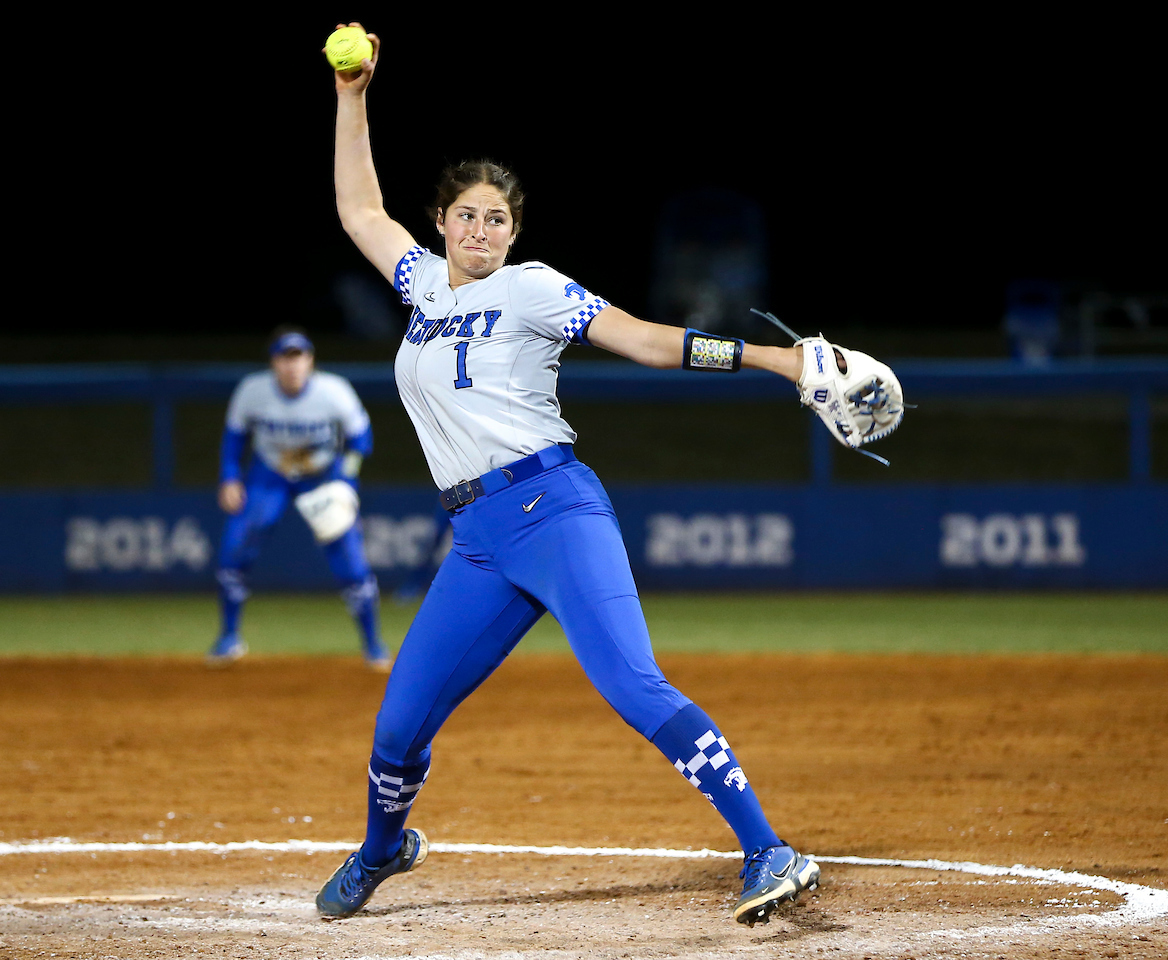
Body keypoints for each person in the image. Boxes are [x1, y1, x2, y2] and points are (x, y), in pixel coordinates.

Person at [315, 24, 822, 927]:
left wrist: (777, 363)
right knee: (397, 732)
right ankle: (383, 848)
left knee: (632, 684)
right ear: (441, 223)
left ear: (515, 233)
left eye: (497, 218)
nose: (480, 228)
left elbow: (651, 344)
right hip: (475, 541)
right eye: (466, 214)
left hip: (554, 510)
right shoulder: (425, 291)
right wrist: (353, 98)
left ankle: (768, 849)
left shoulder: (536, 288)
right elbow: (359, 211)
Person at [208, 326, 392, 672]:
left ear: (310, 361)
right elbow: (233, 439)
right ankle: (229, 638)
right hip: (270, 475)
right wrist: (230, 477)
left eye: (298, 357)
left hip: (322, 477)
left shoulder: (333, 392)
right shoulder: (253, 391)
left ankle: (373, 645)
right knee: (234, 549)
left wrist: (346, 479)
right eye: (284, 358)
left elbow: (361, 439)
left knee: (350, 561)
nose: (292, 366)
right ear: (273, 363)